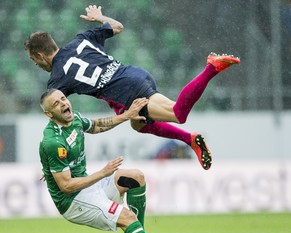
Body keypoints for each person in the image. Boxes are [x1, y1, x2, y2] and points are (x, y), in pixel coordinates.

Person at [25, 4, 240, 171]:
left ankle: (211, 68)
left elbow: (58, 115)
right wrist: (100, 18)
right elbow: (117, 26)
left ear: (40, 55)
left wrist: (52, 160)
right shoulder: (81, 39)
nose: (37, 65)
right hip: (134, 74)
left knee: (178, 113)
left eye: (35, 61)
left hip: (127, 92)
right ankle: (190, 139)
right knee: (139, 125)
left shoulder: (56, 80)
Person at [39, 88, 199, 233]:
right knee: (127, 217)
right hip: (72, 201)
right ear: (48, 114)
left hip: (87, 185)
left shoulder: (75, 119)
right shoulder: (53, 142)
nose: (63, 104)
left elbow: (97, 125)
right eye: (56, 104)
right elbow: (66, 186)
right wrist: (103, 173)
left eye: (63, 99)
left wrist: (127, 115)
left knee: (136, 177)